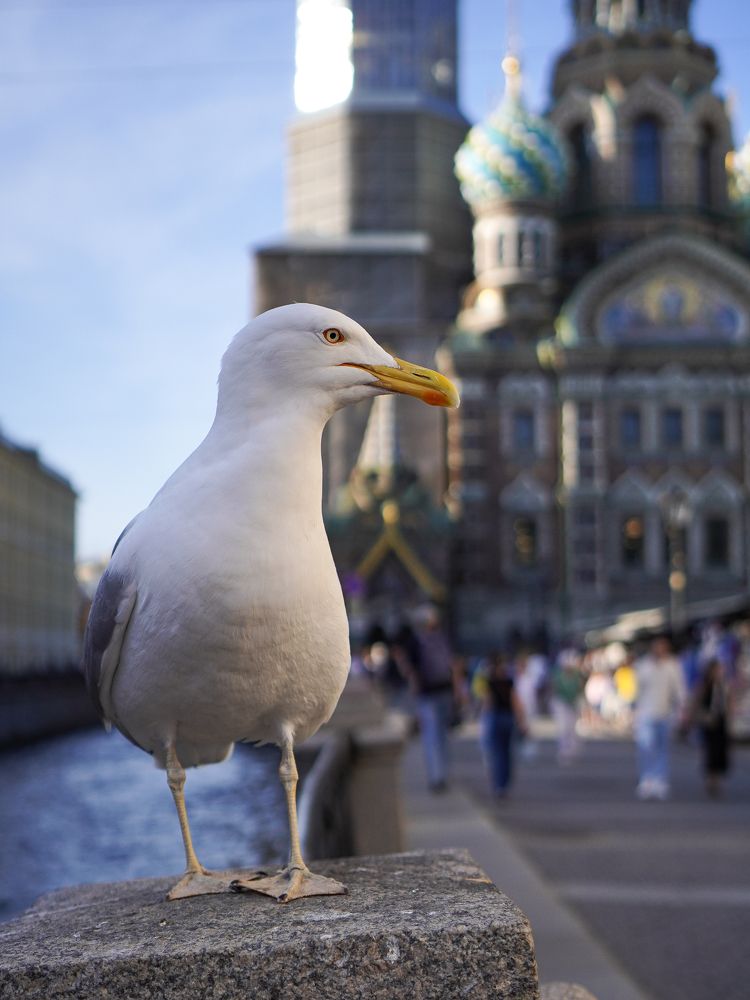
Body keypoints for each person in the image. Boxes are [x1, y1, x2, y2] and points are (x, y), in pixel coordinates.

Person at [394, 605, 456, 793]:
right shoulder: (441, 638)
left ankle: (436, 776)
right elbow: (452, 665)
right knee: (443, 735)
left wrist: (412, 683)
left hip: (426, 693)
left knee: (431, 735)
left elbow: (407, 668)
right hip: (445, 690)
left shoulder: (414, 641)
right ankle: (444, 773)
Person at [634, 634, 686, 800]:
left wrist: (682, 708)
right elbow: (636, 689)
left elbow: (679, 688)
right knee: (647, 748)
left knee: (663, 749)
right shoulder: (643, 665)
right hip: (646, 714)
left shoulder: (672, 665)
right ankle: (647, 779)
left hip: (665, 713)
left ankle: (660, 780)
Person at [473, 653, 526, 798]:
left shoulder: (489, 682)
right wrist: (521, 720)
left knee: (496, 753)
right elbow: (515, 701)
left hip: (495, 718)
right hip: (507, 717)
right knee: (506, 752)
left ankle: (499, 784)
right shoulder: (508, 681)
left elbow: (487, 702)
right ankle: (504, 783)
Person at [691, 658, 731, 798]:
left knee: (720, 751)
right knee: (711, 751)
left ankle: (716, 779)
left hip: (721, 722)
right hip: (708, 722)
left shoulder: (724, 685)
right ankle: (711, 779)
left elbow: (729, 702)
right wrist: (702, 717)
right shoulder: (704, 686)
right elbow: (697, 702)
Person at [550, 649, 585, 763]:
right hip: (561, 703)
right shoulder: (558, 676)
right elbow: (555, 690)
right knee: (563, 727)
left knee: (571, 727)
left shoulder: (576, 675)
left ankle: (571, 749)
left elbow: (579, 689)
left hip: (572, 704)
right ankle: (563, 750)